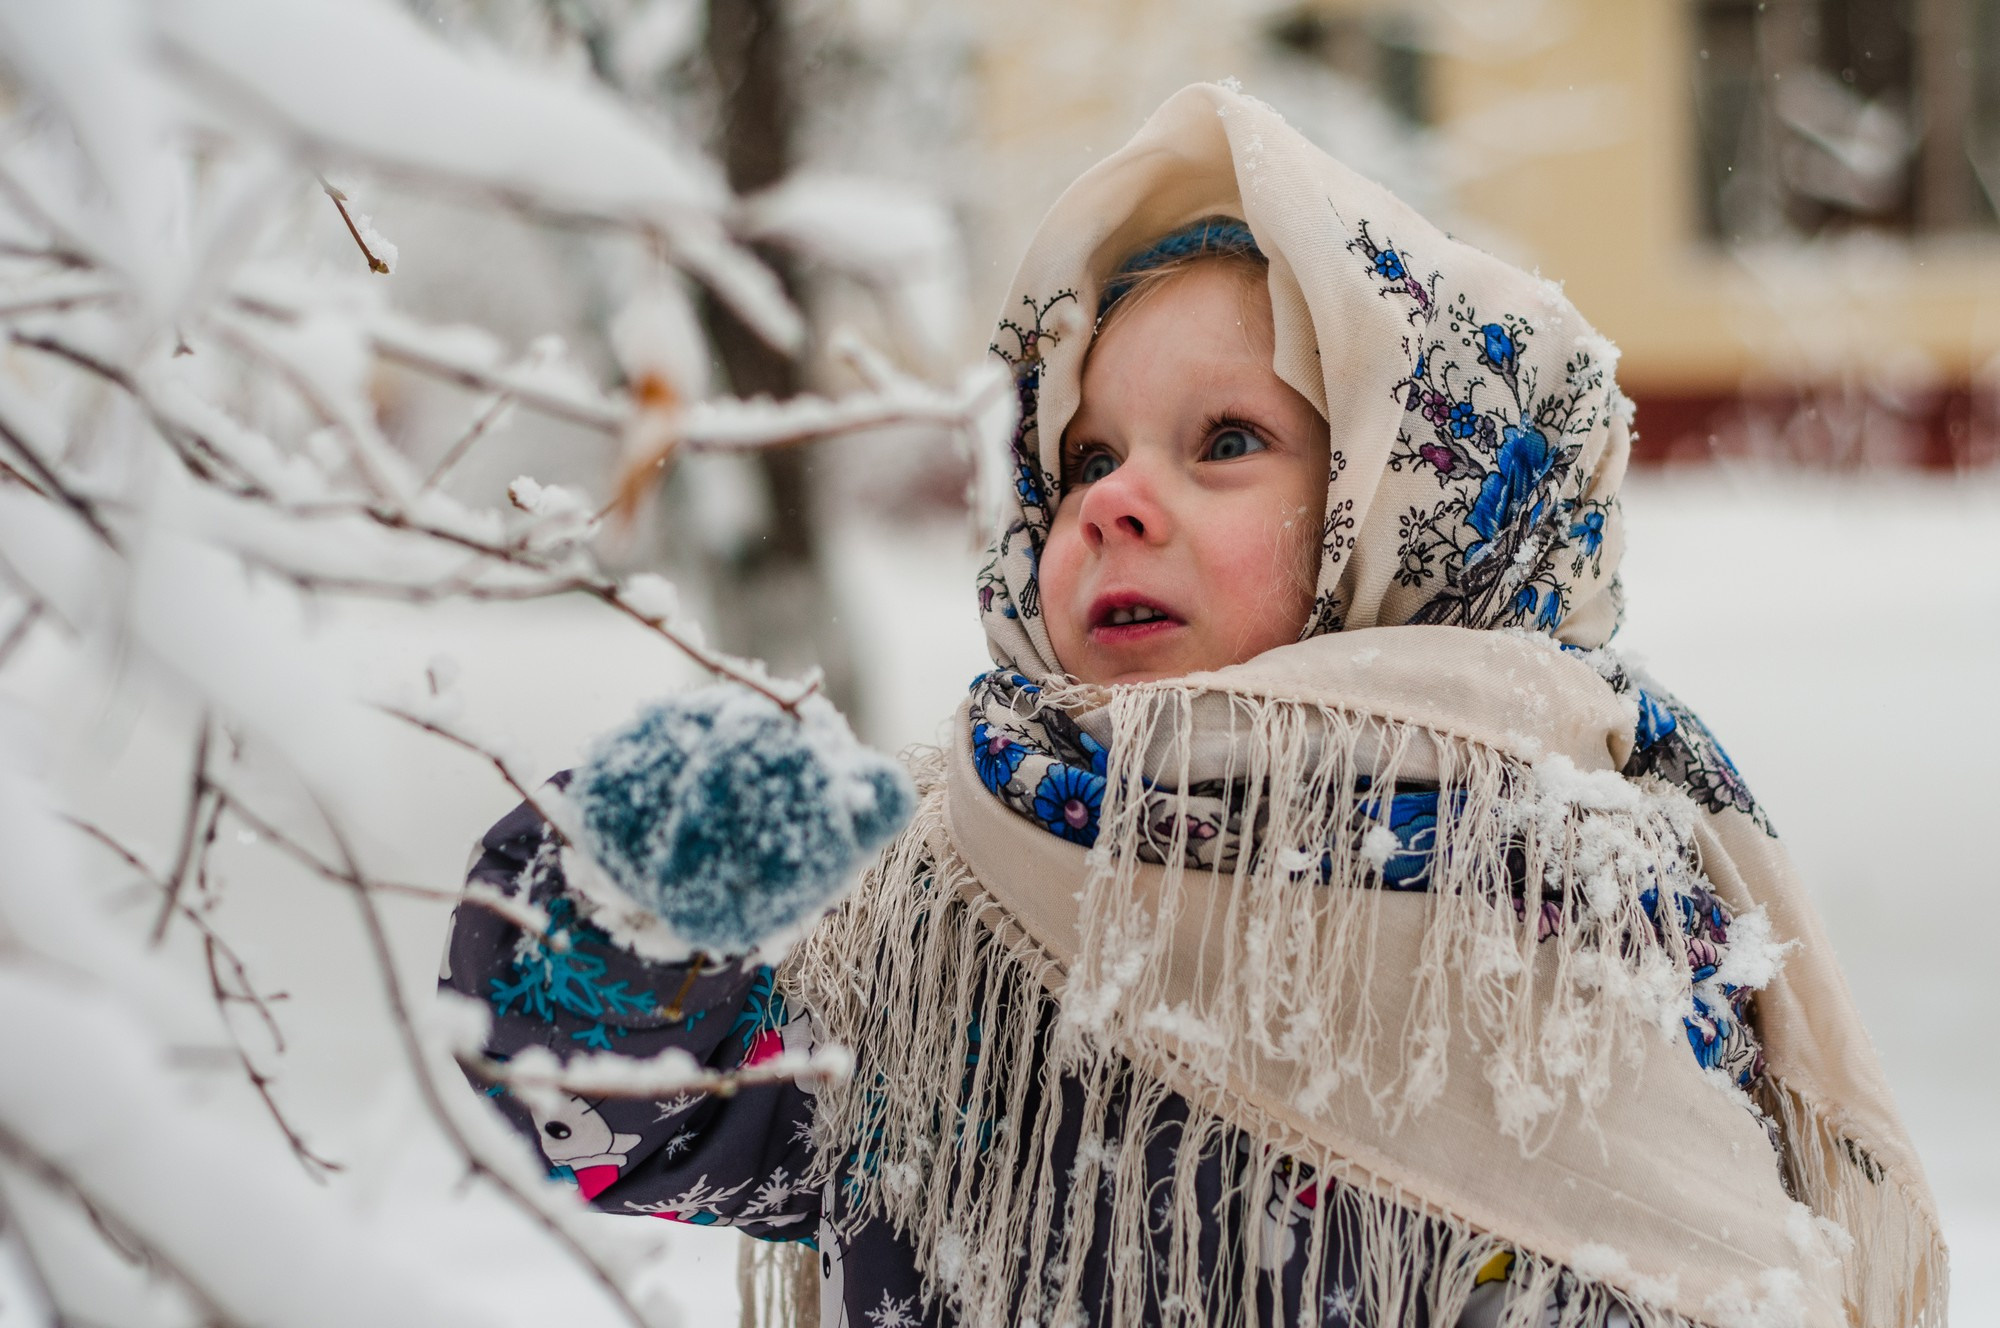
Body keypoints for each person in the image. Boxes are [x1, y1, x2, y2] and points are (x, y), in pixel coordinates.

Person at [442, 85, 1944, 1328]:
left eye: (1224, 441)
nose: (1116, 503)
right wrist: (626, 884)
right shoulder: (949, 908)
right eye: (1085, 460)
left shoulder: (1565, 906)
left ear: (1404, 512)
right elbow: (624, 1110)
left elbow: (1687, 1258)